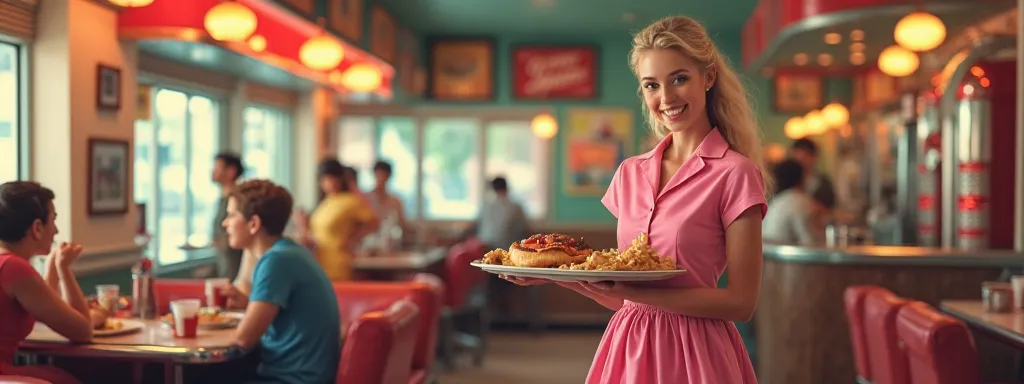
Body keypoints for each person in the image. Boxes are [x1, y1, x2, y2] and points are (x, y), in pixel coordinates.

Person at [503, 16, 769, 383]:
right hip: (629, 344)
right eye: (651, 85)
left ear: (707, 78)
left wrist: (632, 294)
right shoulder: (629, 172)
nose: (666, 98)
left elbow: (742, 303)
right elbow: (622, 297)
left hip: (696, 354)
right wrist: (554, 277)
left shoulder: (735, 173)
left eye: (679, 79)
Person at [222, 179, 340, 384]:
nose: (225, 223)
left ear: (254, 224)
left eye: (232, 215)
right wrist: (248, 303)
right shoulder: (289, 252)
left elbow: (244, 339)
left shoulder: (276, 261)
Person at [0, 181, 93, 384]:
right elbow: (83, 331)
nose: (57, 230)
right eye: (54, 219)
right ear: (37, 227)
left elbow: (42, 307)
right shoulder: (14, 268)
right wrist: (64, 269)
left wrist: (52, 265)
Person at [291, 159, 378, 281]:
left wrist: (353, 239)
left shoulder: (351, 201)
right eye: (324, 180)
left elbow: (373, 223)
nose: (328, 183)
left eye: (332, 178)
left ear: (341, 179)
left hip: (338, 261)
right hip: (319, 260)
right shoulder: (325, 202)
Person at [762, 159, 819, 245]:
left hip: (768, 252)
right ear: (801, 177)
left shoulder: (778, 200)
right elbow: (807, 239)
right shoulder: (798, 200)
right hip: (783, 255)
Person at [462, 177, 527, 250]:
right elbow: (522, 230)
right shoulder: (516, 207)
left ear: (493, 188)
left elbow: (476, 225)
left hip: (484, 248)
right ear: (507, 187)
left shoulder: (485, 204)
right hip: (508, 249)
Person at [211, 152, 245, 280]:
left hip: (236, 273)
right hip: (224, 269)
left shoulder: (239, 202)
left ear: (231, 171)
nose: (212, 171)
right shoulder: (222, 200)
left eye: (217, 167)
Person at [363, 160, 410, 251]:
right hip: (369, 246)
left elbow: (403, 224)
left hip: (390, 246)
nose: (381, 179)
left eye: (384, 175)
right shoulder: (365, 199)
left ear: (389, 177)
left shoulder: (395, 201)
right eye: (379, 175)